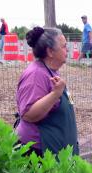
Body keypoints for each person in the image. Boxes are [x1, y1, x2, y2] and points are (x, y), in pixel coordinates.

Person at [16, 26, 79, 156]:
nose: (67, 50)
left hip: (56, 149)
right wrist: (55, 94)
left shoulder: (51, 71)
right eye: (63, 46)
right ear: (50, 51)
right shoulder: (35, 75)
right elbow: (28, 114)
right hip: (39, 152)